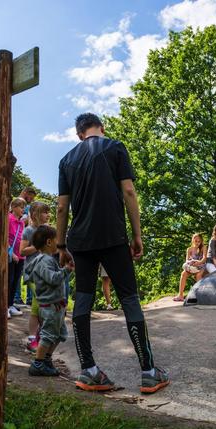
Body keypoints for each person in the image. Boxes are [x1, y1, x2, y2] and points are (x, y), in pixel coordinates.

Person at [56, 112, 169, 394]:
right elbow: (129, 191)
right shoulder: (115, 147)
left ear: (79, 134)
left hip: (80, 241)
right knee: (129, 298)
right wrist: (137, 234)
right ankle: (148, 371)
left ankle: (90, 371)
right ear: (101, 129)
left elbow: (61, 207)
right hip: (113, 236)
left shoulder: (67, 160)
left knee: (83, 300)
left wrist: (60, 246)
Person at [25, 225, 70, 376]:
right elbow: (53, 279)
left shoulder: (48, 259)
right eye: (58, 239)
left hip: (56, 305)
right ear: (49, 242)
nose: (60, 243)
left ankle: (46, 359)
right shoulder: (44, 261)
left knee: (60, 334)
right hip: (50, 307)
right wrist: (66, 271)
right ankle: (38, 364)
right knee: (48, 335)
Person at [20, 201, 50, 352]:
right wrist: (38, 245)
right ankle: (32, 339)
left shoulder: (48, 230)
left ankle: (39, 336)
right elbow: (22, 251)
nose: (48, 215)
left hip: (46, 273)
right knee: (38, 303)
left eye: (48, 212)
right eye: (45, 212)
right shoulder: (28, 231)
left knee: (42, 306)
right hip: (32, 273)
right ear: (36, 214)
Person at [174, 233, 207, 301]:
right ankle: (180, 295)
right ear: (193, 241)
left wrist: (199, 262)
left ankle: (200, 295)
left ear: (201, 241)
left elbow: (204, 259)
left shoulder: (203, 247)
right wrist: (191, 262)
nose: (197, 243)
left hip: (201, 265)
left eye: (199, 241)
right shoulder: (189, 249)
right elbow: (187, 260)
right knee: (183, 273)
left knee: (198, 275)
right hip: (192, 266)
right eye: (196, 241)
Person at [8, 197, 26, 318]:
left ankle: (10, 304)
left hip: (20, 256)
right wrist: (11, 252)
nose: (23, 210)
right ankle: (4, 306)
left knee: (15, 281)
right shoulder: (9, 219)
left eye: (24, 207)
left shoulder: (22, 222)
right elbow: (4, 237)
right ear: (13, 207)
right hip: (10, 256)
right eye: (21, 207)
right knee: (8, 280)